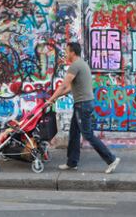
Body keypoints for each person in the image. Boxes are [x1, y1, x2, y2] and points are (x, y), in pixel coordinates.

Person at [47, 42, 120, 174]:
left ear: (72, 52)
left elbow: (63, 86)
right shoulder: (82, 64)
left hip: (83, 105)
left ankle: (111, 159)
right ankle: (72, 162)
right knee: (74, 133)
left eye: (67, 51)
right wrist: (56, 98)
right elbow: (70, 88)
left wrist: (51, 99)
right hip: (83, 104)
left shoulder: (75, 66)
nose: (66, 53)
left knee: (88, 135)